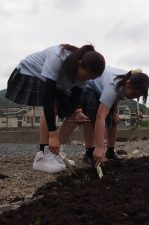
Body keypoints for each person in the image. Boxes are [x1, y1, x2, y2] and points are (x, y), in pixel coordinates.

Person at [5, 44, 106, 173]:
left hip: (55, 84)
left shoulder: (84, 73)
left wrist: (78, 111)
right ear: (79, 63)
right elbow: (48, 98)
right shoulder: (58, 57)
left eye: (90, 78)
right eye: (86, 76)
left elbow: (75, 97)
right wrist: (53, 135)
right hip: (30, 73)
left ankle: (54, 154)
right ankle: (42, 157)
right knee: (53, 105)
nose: (86, 80)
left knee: (73, 114)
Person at [78, 66, 149, 166]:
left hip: (106, 89)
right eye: (134, 94)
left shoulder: (127, 81)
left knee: (114, 119)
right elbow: (100, 117)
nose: (134, 97)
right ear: (128, 84)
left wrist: (115, 111)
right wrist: (99, 147)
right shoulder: (113, 86)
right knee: (90, 118)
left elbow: (119, 95)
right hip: (92, 87)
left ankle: (110, 152)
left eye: (137, 96)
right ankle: (89, 153)